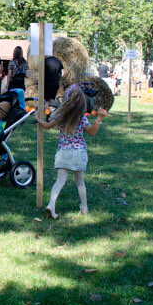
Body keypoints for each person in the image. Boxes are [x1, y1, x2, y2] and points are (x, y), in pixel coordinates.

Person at [36, 84, 106, 217]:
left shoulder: (61, 115)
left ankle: (51, 204)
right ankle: (84, 207)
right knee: (80, 182)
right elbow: (92, 132)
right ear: (82, 102)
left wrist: (37, 118)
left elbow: (47, 126)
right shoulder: (82, 117)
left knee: (59, 181)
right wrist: (99, 118)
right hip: (79, 152)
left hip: (64, 152)